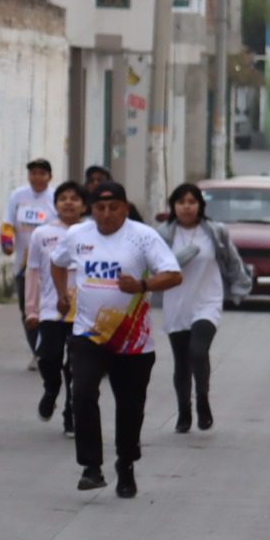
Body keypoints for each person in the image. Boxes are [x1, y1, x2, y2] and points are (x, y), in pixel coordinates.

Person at [51, 181, 182, 497]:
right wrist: (61, 295)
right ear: (90, 209)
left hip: (132, 341)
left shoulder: (142, 236)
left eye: (113, 208)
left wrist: (142, 285)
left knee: (129, 406)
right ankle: (91, 467)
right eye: (99, 208)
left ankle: (126, 463)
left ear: (125, 207)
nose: (106, 214)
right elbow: (56, 263)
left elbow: (174, 274)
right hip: (87, 334)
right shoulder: (77, 236)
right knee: (81, 392)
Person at [157, 182, 251, 434]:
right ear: (173, 207)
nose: (187, 207)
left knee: (198, 351)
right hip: (176, 303)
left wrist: (241, 284)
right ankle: (184, 411)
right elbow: (155, 266)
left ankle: (203, 400)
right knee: (181, 361)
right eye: (181, 202)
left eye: (191, 202)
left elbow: (231, 260)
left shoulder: (215, 231)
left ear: (200, 205)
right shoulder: (164, 234)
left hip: (207, 301)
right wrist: (178, 259)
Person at [24, 181, 88, 433]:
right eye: (63, 198)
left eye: (75, 198)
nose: (69, 202)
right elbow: (33, 272)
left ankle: (71, 413)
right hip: (51, 308)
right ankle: (51, 388)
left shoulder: (91, 233)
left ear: (84, 205)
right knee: (48, 357)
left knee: (77, 367)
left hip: (83, 312)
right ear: (55, 203)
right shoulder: (42, 234)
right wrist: (32, 310)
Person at [2, 159, 57, 361]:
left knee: (50, 309)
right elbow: (7, 223)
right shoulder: (18, 196)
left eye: (42, 173)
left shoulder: (55, 198)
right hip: (24, 264)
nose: (37, 177)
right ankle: (37, 352)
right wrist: (7, 243)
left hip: (51, 265)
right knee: (28, 309)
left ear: (49, 177)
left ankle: (51, 349)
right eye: (33, 173)